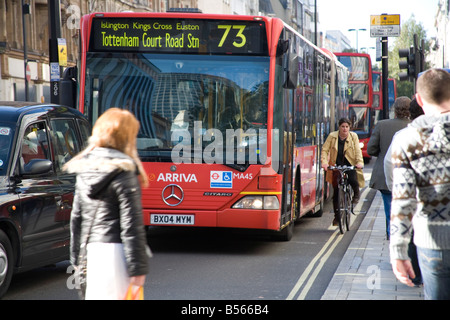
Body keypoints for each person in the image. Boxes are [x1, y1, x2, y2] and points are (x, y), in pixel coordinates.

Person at [64, 108, 151, 300]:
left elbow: (76, 219)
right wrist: (138, 269)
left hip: (90, 254)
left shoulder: (84, 169)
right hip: (116, 256)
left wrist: (76, 259)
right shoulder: (124, 171)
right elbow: (132, 226)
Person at [389, 68, 450, 300]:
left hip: (432, 243)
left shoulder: (406, 139)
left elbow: (403, 200)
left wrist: (398, 251)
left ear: (419, 100)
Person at [367, 96, 411, 239]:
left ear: (395, 109)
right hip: (408, 175)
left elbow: (371, 150)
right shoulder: (414, 126)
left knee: (389, 204)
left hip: (385, 174)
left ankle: (390, 232)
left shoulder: (382, 125)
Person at [321, 118, 365, 226]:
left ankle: (356, 194)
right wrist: (324, 163)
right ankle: (337, 217)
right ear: (339, 127)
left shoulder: (353, 136)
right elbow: (325, 150)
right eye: (343, 126)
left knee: (353, 180)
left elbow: (358, 151)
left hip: (350, 163)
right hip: (336, 164)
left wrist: (359, 163)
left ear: (349, 128)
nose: (345, 129)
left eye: (347, 127)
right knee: (336, 191)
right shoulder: (332, 136)